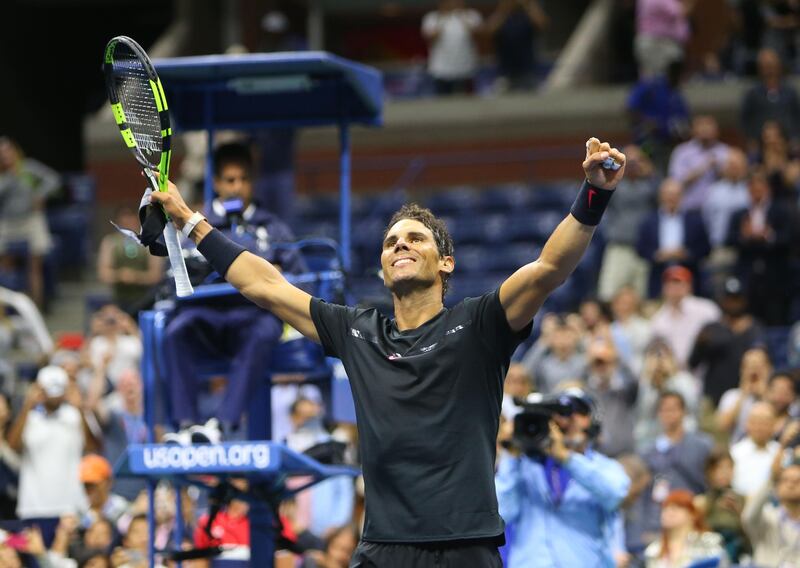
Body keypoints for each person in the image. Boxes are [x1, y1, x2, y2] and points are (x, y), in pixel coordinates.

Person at [149, 138, 628, 566]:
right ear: (382, 268)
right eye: (391, 242)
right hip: (383, 549)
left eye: (415, 238)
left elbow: (548, 267)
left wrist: (594, 193)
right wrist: (190, 221)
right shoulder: (358, 332)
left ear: (446, 262)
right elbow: (267, 286)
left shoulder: (480, 323)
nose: (400, 244)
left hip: (468, 547)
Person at [163, 142, 305, 434]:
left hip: (253, 317)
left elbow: (301, 278)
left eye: (243, 179)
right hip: (206, 316)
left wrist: (279, 275)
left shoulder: (273, 228)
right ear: (216, 183)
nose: (237, 187)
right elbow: (174, 277)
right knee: (176, 330)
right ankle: (186, 426)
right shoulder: (194, 225)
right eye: (230, 180)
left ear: (252, 182)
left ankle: (223, 425)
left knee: (266, 329)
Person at [495, 387, 630, 568]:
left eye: (579, 412)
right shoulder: (524, 467)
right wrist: (512, 455)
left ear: (593, 420)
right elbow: (501, 512)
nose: (569, 419)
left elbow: (615, 494)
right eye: (561, 414)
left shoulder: (604, 467)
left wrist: (567, 458)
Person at [6, 366, 90, 547]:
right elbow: (12, 446)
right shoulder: (29, 419)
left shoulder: (74, 416)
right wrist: (27, 405)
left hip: (70, 506)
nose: (54, 396)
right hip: (34, 506)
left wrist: (81, 409)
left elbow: (92, 447)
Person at [638, 392, 714, 540]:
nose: (669, 414)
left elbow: (710, 483)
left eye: (673, 409)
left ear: (683, 412)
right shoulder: (648, 452)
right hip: (658, 522)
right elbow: (644, 493)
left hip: (691, 519)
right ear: (658, 413)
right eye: (664, 409)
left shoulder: (702, 445)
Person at [0, 136, 60, 309]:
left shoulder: (29, 168)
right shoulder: (3, 176)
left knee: (35, 267)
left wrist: (40, 194)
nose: (5, 156)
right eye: (1, 154)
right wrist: (9, 177)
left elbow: (53, 179)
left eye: (7, 151)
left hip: (31, 220)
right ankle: (6, 309)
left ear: (15, 151)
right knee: (5, 266)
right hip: (7, 223)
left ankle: (36, 308)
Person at [688, 275, 765, 407]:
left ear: (744, 300)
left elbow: (763, 362)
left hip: (745, 400)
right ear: (722, 301)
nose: (733, 303)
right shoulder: (710, 328)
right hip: (713, 399)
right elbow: (693, 363)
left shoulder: (755, 328)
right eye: (729, 299)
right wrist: (700, 345)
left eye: (736, 299)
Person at [597, 145, 659, 302]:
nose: (633, 165)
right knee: (609, 293)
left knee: (642, 296)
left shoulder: (649, 186)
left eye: (636, 161)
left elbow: (667, 196)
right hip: (619, 246)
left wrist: (651, 172)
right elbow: (597, 193)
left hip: (643, 249)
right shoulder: (614, 183)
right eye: (629, 161)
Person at [636, 179, 711, 297]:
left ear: (682, 196)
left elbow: (705, 248)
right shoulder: (649, 220)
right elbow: (641, 248)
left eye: (675, 195)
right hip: (658, 275)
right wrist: (656, 255)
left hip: (688, 273)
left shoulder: (695, 220)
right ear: (661, 196)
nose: (671, 198)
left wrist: (687, 254)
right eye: (668, 195)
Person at [97, 205, 165, 317]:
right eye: (123, 219)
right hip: (119, 300)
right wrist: (121, 275)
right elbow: (103, 273)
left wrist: (135, 277)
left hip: (145, 300)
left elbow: (156, 275)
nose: (127, 222)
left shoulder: (150, 241)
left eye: (130, 218)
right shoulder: (110, 242)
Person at [648, 265, 720, 369]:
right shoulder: (658, 320)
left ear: (689, 286)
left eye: (678, 283)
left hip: (706, 370)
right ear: (664, 288)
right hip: (675, 375)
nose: (674, 288)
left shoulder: (707, 310)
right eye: (670, 284)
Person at [643, 489, 727, 568]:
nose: (668, 513)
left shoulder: (709, 542)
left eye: (675, 508)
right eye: (665, 509)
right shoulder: (653, 549)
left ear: (692, 514)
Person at [740, 47, 800, 156]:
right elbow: (744, 119)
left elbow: (797, 115)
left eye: (771, 64)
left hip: (788, 143)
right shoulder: (752, 93)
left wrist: (796, 138)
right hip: (760, 144)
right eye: (765, 65)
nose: (769, 68)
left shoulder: (790, 92)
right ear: (760, 67)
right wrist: (751, 139)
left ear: (779, 65)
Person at [741, 458, 800, 567]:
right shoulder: (767, 517)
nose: (791, 485)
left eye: (797, 481)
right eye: (785, 480)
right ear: (776, 487)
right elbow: (749, 515)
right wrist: (771, 479)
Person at [695, 447, 750, 564]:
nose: (725, 472)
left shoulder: (743, 499)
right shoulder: (702, 501)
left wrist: (739, 512)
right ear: (710, 471)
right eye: (719, 467)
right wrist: (710, 509)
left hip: (738, 556)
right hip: (709, 553)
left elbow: (751, 536)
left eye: (729, 467)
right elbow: (697, 533)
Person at [667, 115, 730, 212]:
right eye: (701, 126)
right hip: (689, 208)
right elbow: (676, 182)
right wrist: (704, 166)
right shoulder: (682, 152)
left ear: (717, 130)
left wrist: (718, 168)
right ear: (693, 130)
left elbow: (734, 179)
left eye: (708, 126)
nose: (705, 129)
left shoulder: (725, 151)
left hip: (718, 209)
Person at [421, 0, 483, 95]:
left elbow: (479, 35)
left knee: (468, 104)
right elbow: (429, 37)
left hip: (466, 70)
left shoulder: (472, 15)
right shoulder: (432, 17)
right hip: (441, 71)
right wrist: (442, 19)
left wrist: (462, 16)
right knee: (443, 105)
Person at [486, 0, 549, 92]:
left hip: (528, 72)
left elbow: (543, 24)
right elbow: (489, 30)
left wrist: (528, 3)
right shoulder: (502, 18)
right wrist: (505, 7)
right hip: (505, 74)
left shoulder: (527, 17)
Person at [716, 346, 773, 442]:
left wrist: (764, 394)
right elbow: (722, 426)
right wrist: (743, 395)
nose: (754, 371)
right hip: (738, 449)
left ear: (769, 369)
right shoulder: (731, 396)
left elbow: (778, 422)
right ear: (742, 370)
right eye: (750, 366)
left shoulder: (776, 396)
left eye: (758, 366)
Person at [730, 401, 781, 497]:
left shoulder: (781, 453)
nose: (760, 427)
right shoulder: (735, 452)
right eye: (755, 422)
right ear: (747, 424)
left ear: (774, 425)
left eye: (765, 423)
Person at [634, 0, 694, 79]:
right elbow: (679, 11)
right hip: (657, 42)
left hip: (660, 42)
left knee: (654, 77)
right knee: (657, 78)